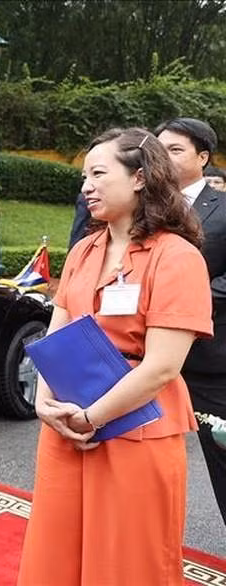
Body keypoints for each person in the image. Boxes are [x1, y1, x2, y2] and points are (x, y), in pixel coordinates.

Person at [18, 128, 213, 585]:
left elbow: (164, 365)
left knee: (125, 558)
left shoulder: (177, 256)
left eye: (98, 173)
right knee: (57, 549)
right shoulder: (85, 249)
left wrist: (93, 416)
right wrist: (46, 404)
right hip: (67, 420)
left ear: (141, 178)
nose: (86, 185)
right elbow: (58, 328)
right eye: (84, 175)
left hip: (134, 423)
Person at [155, 117, 226, 526]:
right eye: (158, 147)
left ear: (202, 157)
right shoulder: (140, 205)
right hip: (143, 358)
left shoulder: (222, 209)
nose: (163, 156)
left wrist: (185, 305)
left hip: (209, 361)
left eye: (175, 149)